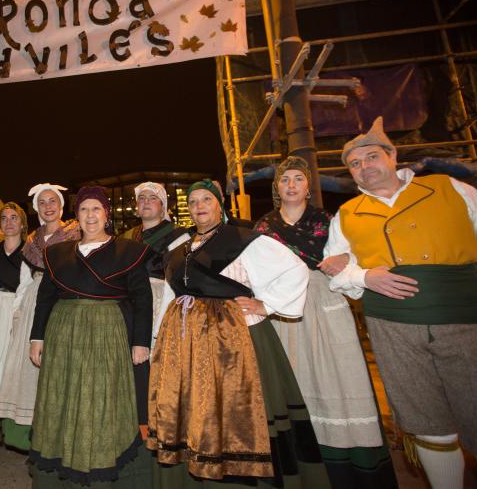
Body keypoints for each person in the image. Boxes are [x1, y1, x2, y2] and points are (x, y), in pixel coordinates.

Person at [324, 116, 477, 489]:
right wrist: (366, 276)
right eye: (355, 164)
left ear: (392, 155)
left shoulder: (449, 189)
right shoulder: (347, 215)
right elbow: (336, 270)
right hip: (393, 327)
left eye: (371, 158)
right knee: (425, 420)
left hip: (464, 319)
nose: (364, 167)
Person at [148, 179, 330, 488]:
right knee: (196, 416)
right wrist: (159, 342)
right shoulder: (180, 250)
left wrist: (266, 304)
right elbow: (171, 297)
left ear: (219, 204)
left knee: (239, 416)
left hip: (236, 342)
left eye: (206, 199)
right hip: (188, 347)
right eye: (193, 202)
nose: (199, 206)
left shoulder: (243, 239)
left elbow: (295, 269)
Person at [254, 157, 397, 488]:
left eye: (297, 179)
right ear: (277, 187)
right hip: (282, 306)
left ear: (307, 186)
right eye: (285, 179)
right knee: (294, 377)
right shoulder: (263, 226)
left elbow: (354, 254)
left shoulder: (328, 221)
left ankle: (349, 462)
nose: (291, 184)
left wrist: (346, 257)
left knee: (338, 376)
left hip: (323, 299)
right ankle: (303, 459)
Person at [28, 186, 153, 486]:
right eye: (84, 210)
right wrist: (37, 337)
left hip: (107, 332)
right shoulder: (57, 254)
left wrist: (140, 342)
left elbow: (142, 298)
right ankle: (65, 451)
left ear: (107, 215)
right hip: (63, 334)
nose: (90, 215)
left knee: (103, 395)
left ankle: (100, 455)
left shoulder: (128, 251)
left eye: (96, 209)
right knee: (65, 392)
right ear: (77, 216)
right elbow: (45, 298)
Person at [0, 183, 81, 450]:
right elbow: (24, 280)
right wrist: (18, 312)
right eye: (42, 203)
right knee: (29, 368)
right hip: (35, 298)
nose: (48, 206)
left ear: (61, 205)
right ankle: (29, 432)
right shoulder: (31, 241)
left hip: (65, 298)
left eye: (52, 201)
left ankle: (60, 432)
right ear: (36, 209)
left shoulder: (76, 233)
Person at [120, 182, 187, 347]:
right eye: (141, 198)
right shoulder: (126, 237)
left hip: (161, 303)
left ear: (162, 206)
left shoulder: (178, 237)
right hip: (129, 304)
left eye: (152, 198)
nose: (146, 201)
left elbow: (180, 279)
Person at [0, 202, 27, 391]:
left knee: (10, 356)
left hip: (17, 308)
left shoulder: (31, 253)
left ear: (22, 224)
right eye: (4, 218)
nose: (8, 222)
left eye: (13, 218)